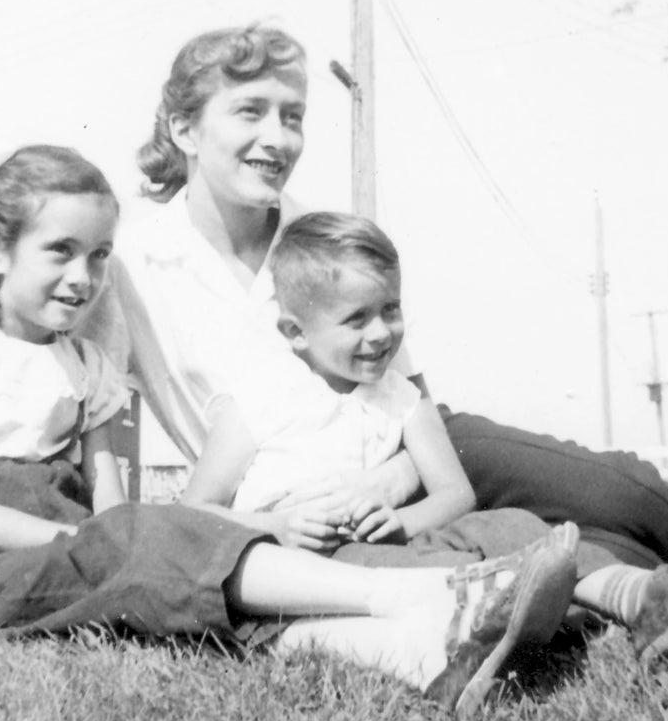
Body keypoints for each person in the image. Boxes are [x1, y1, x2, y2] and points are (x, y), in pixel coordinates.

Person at [83, 23, 668, 667]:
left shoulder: (316, 236)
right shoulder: (131, 267)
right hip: (293, 495)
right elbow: (102, 418)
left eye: (292, 116)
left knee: (626, 494)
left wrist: (391, 481)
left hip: (410, 447)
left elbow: (404, 386)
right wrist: (120, 539)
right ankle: (664, 603)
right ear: (184, 129)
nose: (278, 136)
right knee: (554, 543)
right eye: (250, 111)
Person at [0, 143, 581, 716]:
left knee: (175, 570)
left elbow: (109, 502)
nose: (83, 276)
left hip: (76, 548)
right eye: (59, 251)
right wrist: (109, 545)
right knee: (154, 544)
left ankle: (415, 649)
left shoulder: (86, 364)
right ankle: (420, 598)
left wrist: (118, 540)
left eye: (98, 256)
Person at [184, 209, 561, 575]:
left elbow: (456, 493)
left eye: (390, 309)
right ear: (296, 333)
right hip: (295, 562)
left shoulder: (401, 397)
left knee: (511, 524)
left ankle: (602, 584)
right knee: (421, 567)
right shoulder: (258, 399)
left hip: (384, 546)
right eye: (357, 319)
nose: (381, 333)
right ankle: (493, 589)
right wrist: (274, 526)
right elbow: (197, 507)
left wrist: (400, 521)